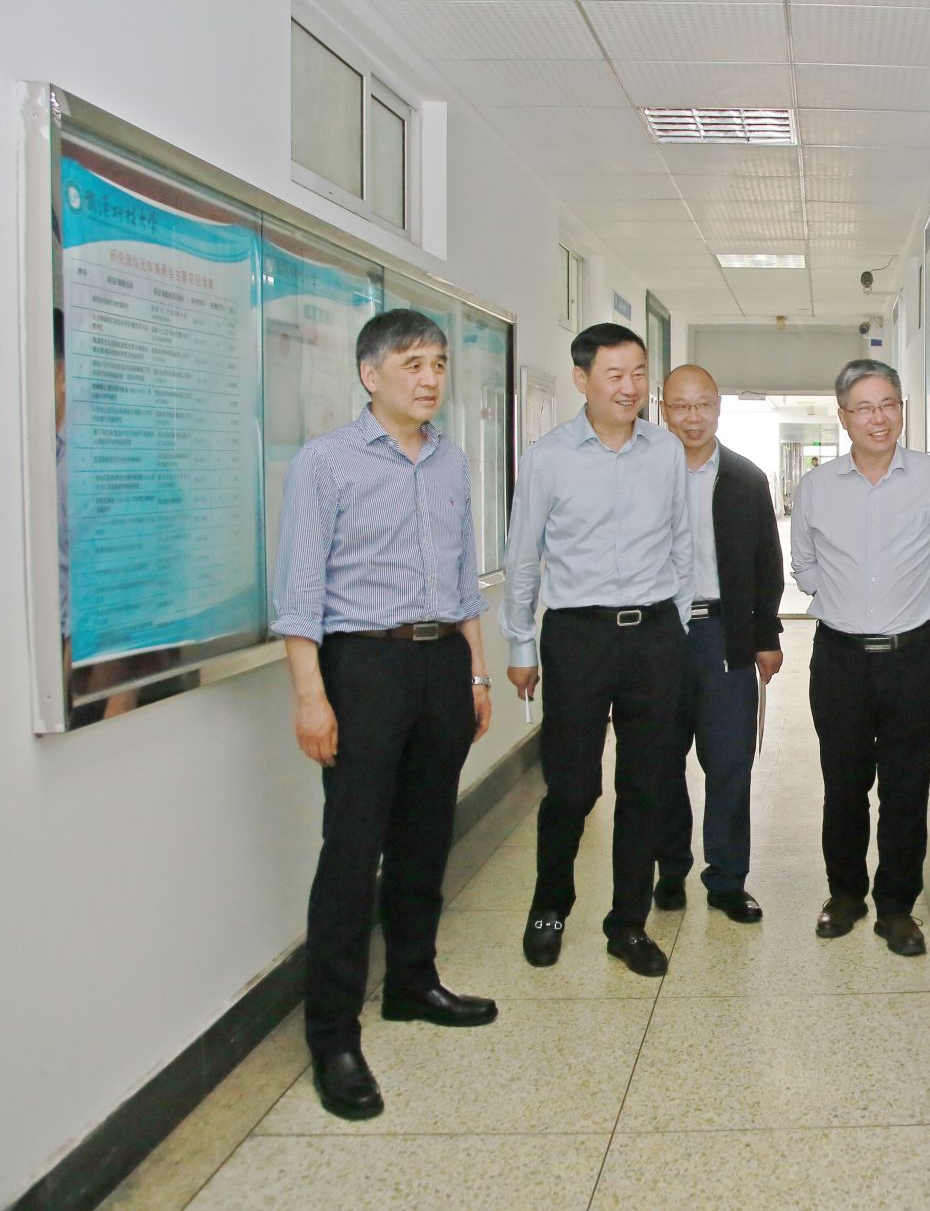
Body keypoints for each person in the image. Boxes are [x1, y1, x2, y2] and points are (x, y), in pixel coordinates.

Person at [270, 308, 498, 1123]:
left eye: (438, 363)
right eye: (413, 364)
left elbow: (464, 579)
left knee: (427, 834)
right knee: (352, 848)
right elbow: (299, 592)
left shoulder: (450, 460)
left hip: (442, 663)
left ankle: (412, 980)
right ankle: (333, 1034)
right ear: (371, 375)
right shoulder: (326, 462)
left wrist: (475, 673)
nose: (430, 378)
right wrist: (311, 693)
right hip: (361, 664)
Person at [503, 323, 692, 978]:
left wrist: (678, 628)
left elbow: (682, 541)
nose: (629, 387)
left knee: (646, 783)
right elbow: (523, 556)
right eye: (615, 374)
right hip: (578, 635)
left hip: (654, 634)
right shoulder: (548, 456)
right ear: (582, 380)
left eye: (639, 373)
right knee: (572, 784)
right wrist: (520, 642)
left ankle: (628, 924)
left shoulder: (665, 451)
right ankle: (550, 905)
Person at [790, 359, 930, 957]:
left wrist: (919, 606)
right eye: (863, 407)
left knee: (906, 788)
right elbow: (804, 563)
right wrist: (845, 604)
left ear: (901, 409)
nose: (878, 418)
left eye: (888, 403)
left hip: (912, 657)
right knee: (843, 785)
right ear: (843, 417)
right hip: (839, 660)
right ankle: (845, 895)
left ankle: (896, 908)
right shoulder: (816, 487)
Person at [652, 365, 786, 922]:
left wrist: (766, 635)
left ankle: (728, 880)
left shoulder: (746, 479)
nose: (692, 417)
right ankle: (670, 868)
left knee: (730, 761)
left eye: (703, 404)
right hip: (658, 633)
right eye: (680, 405)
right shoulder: (643, 473)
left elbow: (766, 564)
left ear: (718, 407)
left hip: (722, 633)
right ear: (663, 409)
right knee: (660, 760)